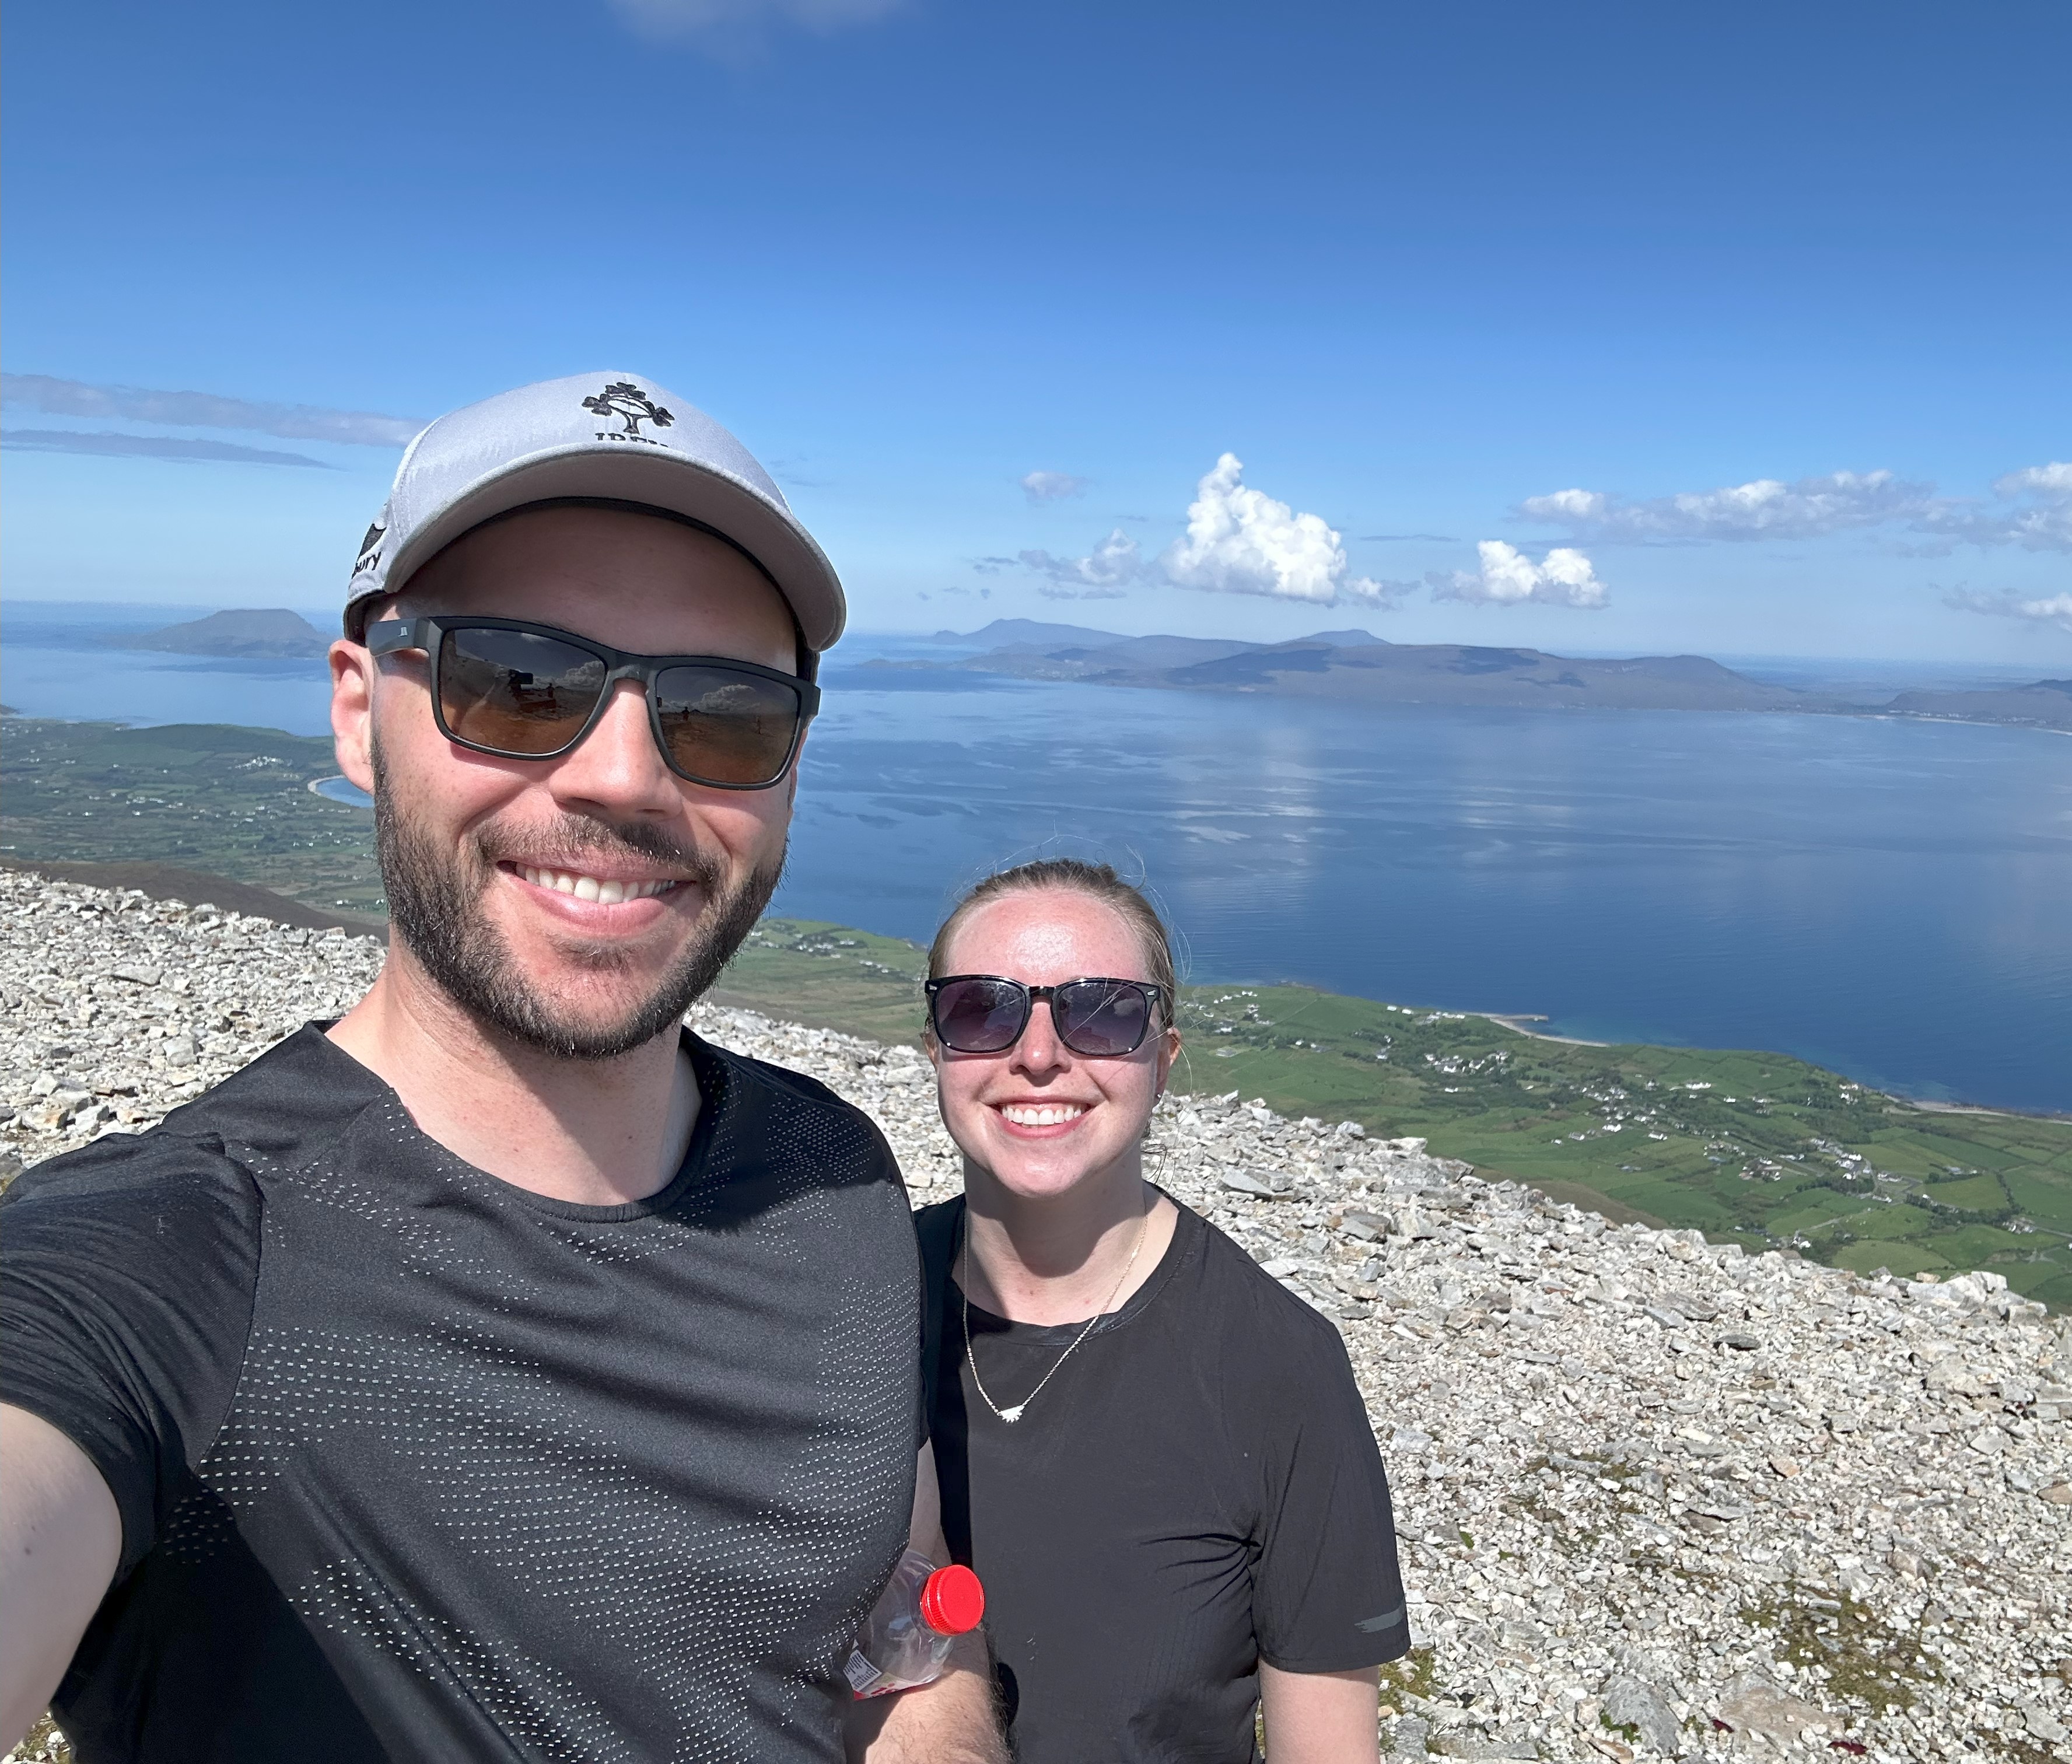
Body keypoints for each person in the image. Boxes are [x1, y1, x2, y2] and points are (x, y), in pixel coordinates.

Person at [0, 372, 1003, 1764]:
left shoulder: (831, 1174)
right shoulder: (180, 1259)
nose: (623, 778)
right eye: (518, 682)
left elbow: (910, 1632)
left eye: (723, 715)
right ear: (359, 713)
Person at [912, 860, 1410, 1764]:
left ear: (1163, 1060)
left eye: (1101, 1012)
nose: (1037, 1055)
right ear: (936, 1048)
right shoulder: (844, 1303)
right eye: (982, 1008)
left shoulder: (1280, 1367)